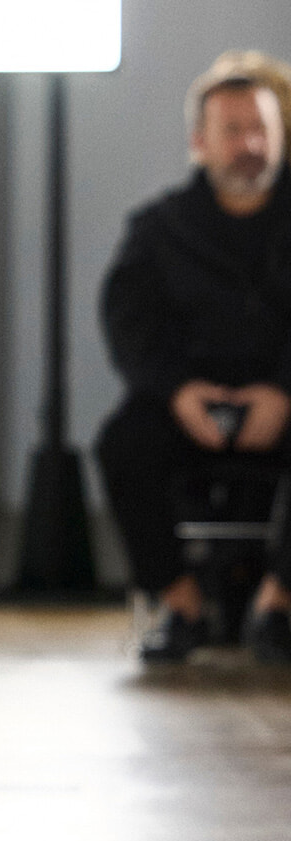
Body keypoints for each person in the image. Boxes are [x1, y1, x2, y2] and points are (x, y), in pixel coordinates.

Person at [97, 52, 291, 663]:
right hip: (185, 404)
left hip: (285, 401)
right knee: (122, 446)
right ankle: (180, 604)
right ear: (199, 142)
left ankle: (279, 604)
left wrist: (283, 392)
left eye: (262, 129)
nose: (250, 144)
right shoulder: (160, 229)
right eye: (233, 131)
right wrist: (179, 391)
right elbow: (129, 324)